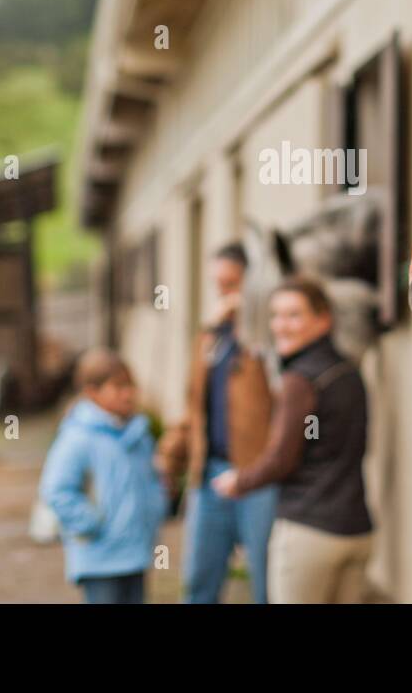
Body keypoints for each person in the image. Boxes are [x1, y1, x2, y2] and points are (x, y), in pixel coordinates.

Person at [213, 276, 373, 604]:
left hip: (309, 534)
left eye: (294, 315)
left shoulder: (299, 380)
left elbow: (281, 459)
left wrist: (238, 481)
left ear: (323, 319)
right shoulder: (350, 372)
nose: (281, 326)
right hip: (357, 532)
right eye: (276, 315)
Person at [158, 241, 278, 604]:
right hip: (208, 473)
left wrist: (248, 325)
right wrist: (171, 454)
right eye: (219, 285)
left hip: (256, 475)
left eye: (232, 284)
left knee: (266, 581)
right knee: (197, 580)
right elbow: (194, 404)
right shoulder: (210, 336)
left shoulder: (267, 335)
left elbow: (276, 391)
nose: (224, 293)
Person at [40, 349, 167, 604]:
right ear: (92, 392)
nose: (128, 393)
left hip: (136, 553)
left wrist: (157, 508)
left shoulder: (138, 434)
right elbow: (56, 490)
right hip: (100, 558)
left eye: (131, 385)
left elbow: (151, 482)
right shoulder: (78, 438)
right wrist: (92, 524)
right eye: (118, 387)